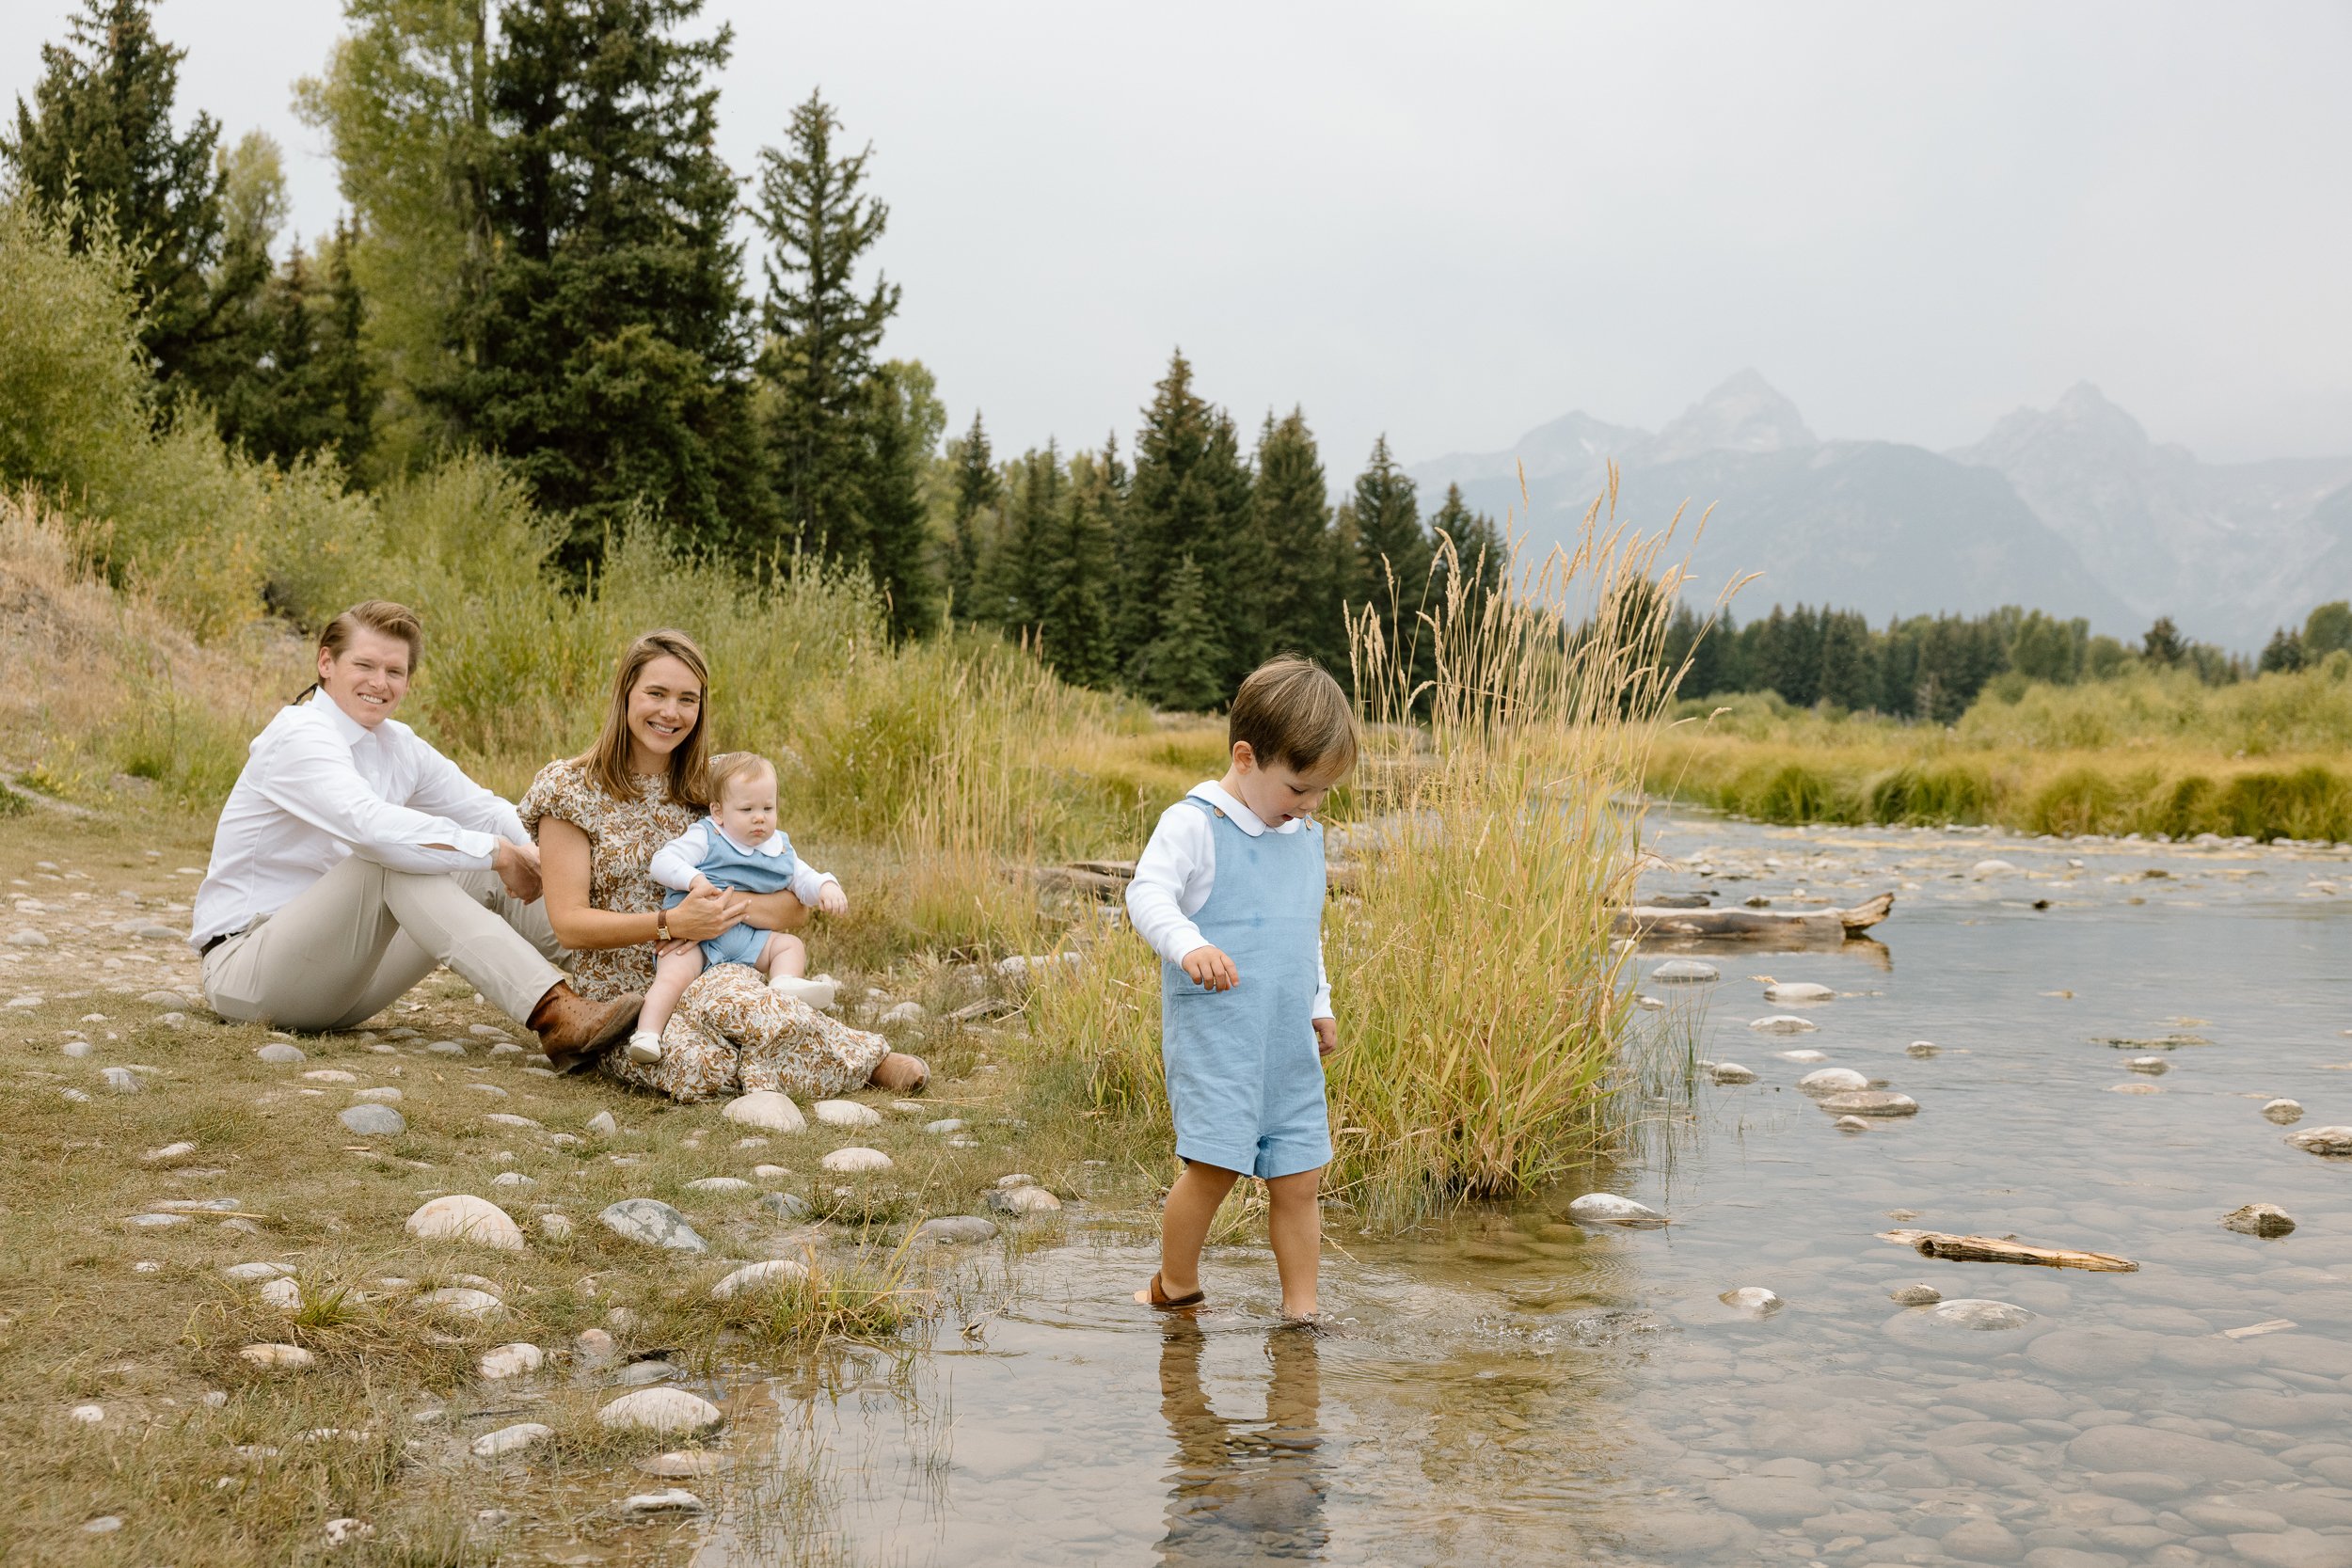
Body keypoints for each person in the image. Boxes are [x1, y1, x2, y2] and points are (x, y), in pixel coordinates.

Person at [193, 599, 640, 1057]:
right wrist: (499, 853)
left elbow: (483, 809)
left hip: (343, 983)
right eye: (364, 665)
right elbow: (370, 829)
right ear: (326, 662)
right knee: (392, 862)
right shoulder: (298, 735)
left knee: (482, 862)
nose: (379, 683)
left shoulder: (397, 744)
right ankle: (555, 1015)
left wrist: (533, 856)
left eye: (394, 671)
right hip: (250, 972)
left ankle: (628, 977)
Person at [521, 628, 927, 1097]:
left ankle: (867, 1060)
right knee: (699, 1069)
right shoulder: (570, 788)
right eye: (656, 693)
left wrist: (714, 916)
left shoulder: (714, 787)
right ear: (625, 694)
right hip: (626, 996)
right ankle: (804, 1056)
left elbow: (792, 907)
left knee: (749, 1003)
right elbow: (569, 924)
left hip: (716, 963)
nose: (670, 712)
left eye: (687, 699)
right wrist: (670, 922)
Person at [1125, 656, 1357, 1321]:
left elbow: (1303, 930)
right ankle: (1178, 1283)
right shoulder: (1197, 823)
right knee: (1215, 1168)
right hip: (1219, 1042)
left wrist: (1320, 1002)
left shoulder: (1303, 835)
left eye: (1321, 794)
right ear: (1246, 757)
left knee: (1301, 1177)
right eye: (1299, 788)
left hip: (1288, 1047)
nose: (1310, 806)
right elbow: (1147, 894)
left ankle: (1301, 1311)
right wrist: (1188, 944)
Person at [627, 750, 847, 1064]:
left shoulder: (779, 848)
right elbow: (662, 861)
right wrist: (693, 880)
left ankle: (783, 985)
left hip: (747, 938)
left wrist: (826, 886)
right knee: (671, 977)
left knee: (789, 946)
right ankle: (648, 1034)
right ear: (718, 812)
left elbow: (802, 878)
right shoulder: (707, 835)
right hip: (694, 937)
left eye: (768, 808)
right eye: (747, 809)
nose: (760, 817)